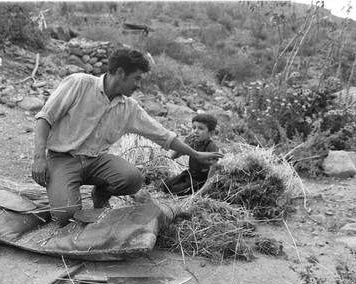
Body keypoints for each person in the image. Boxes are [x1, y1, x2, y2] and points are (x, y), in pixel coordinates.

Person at [32, 48, 223, 225]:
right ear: (121, 73)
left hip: (96, 161)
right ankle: (64, 192)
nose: (138, 85)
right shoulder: (79, 83)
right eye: (136, 78)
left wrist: (195, 154)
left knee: (133, 179)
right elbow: (45, 119)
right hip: (63, 159)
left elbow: (164, 137)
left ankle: (100, 195)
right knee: (66, 216)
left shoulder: (129, 107)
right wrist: (39, 158)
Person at [161, 113, 219, 196]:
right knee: (165, 185)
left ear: (211, 133)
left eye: (201, 128)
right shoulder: (192, 142)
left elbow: (212, 171)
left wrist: (203, 191)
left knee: (176, 190)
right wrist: (184, 144)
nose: (196, 131)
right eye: (194, 128)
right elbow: (173, 156)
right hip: (189, 173)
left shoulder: (212, 147)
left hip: (200, 179)